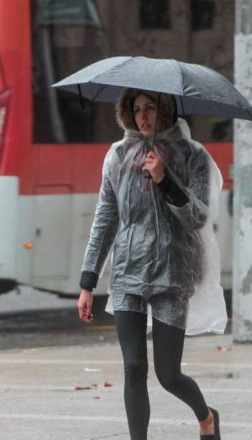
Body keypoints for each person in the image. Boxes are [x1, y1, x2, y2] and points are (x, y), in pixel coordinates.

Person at [77, 89, 226, 440]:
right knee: (132, 367)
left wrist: (165, 179)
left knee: (168, 374)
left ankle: (206, 416)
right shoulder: (117, 155)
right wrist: (88, 282)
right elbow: (105, 219)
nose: (142, 116)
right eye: (136, 108)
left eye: (150, 108)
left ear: (167, 110)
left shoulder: (192, 156)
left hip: (173, 273)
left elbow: (198, 218)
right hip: (127, 272)